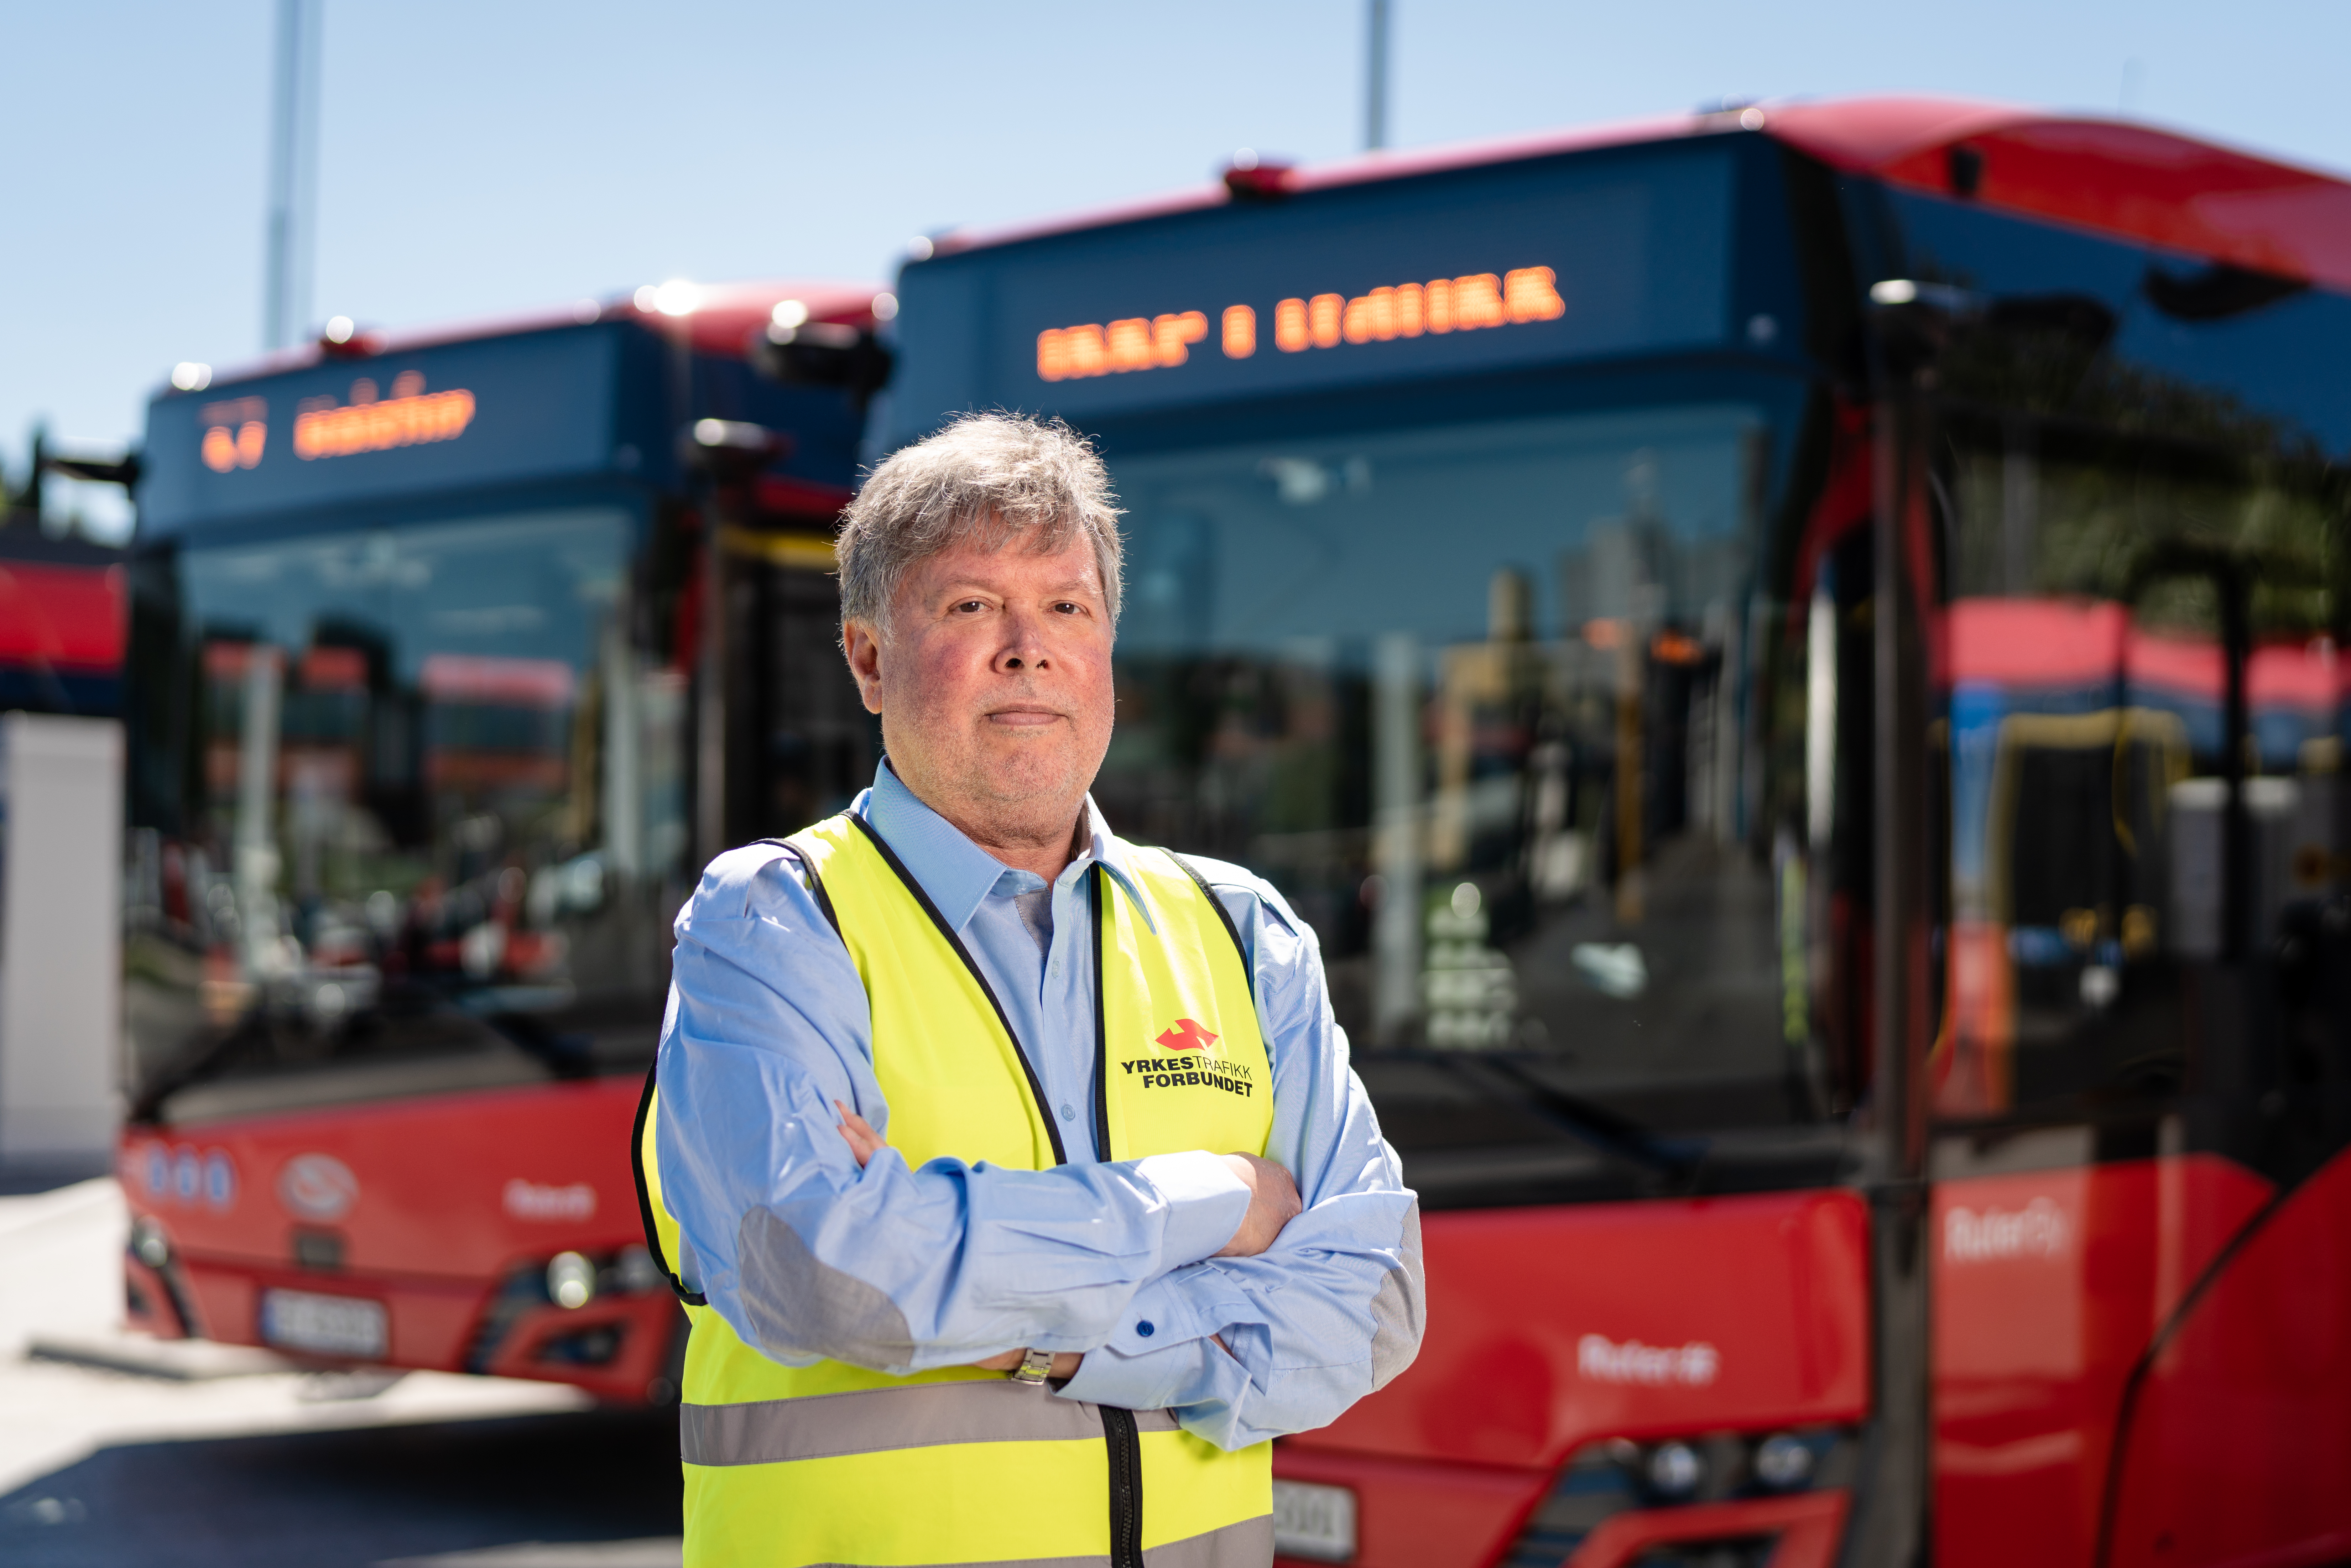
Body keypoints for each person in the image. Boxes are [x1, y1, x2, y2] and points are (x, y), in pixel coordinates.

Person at [636, 412, 1423, 1568]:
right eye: (969, 606)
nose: (1028, 648)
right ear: (866, 657)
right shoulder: (774, 919)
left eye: (1066, 606)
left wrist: (1037, 1332)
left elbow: (1371, 1306)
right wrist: (1213, 1203)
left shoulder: (1241, 931)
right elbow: (824, 1276)